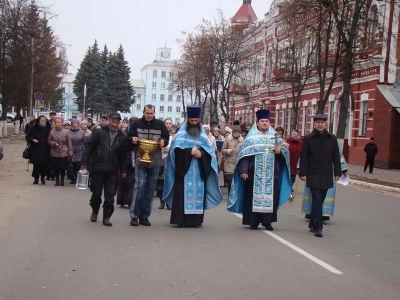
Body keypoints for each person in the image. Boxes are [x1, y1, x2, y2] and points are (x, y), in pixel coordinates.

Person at [227, 110, 291, 231]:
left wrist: (280, 152)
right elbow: (244, 156)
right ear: (257, 123)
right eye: (262, 121)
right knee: (252, 197)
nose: (265, 123)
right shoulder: (251, 138)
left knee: (271, 198)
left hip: (272, 174)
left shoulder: (275, 137)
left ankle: (267, 222)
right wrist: (243, 171)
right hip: (253, 173)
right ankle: (253, 221)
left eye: (267, 121)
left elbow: (285, 156)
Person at [163, 106, 223, 227]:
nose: (194, 123)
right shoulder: (180, 135)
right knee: (182, 194)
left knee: (198, 194)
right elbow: (175, 153)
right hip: (184, 170)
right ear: (188, 119)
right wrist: (188, 152)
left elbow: (210, 153)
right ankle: (180, 220)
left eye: (196, 121)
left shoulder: (203, 136)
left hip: (199, 170)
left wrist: (202, 154)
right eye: (192, 121)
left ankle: (195, 220)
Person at [81, 113, 127, 227]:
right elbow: (90, 147)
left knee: (110, 195)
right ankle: (95, 210)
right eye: (113, 121)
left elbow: (123, 155)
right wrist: (84, 163)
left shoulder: (122, 136)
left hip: (112, 169)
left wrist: (123, 170)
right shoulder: (100, 132)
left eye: (117, 122)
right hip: (98, 168)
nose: (115, 124)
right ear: (109, 121)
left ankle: (106, 217)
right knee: (96, 194)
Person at [299, 114, 341, 238]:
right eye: (317, 122)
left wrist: (337, 172)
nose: (320, 124)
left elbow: (336, 156)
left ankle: (312, 222)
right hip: (313, 173)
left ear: (326, 124)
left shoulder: (332, 138)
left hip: (327, 173)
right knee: (317, 199)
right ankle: (318, 227)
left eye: (322, 122)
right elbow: (304, 157)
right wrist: (302, 173)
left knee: (320, 200)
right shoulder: (308, 138)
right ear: (314, 124)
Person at [128, 104, 169, 227]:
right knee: (139, 187)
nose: (149, 115)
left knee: (150, 189)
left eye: (151, 113)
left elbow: (166, 137)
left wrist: (163, 141)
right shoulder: (137, 124)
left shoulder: (160, 124)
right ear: (143, 112)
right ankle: (134, 215)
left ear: (154, 113)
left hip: (155, 161)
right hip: (140, 160)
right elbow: (129, 136)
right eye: (147, 113)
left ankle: (145, 216)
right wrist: (133, 139)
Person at [301, 148, 348, 221]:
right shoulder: (311, 140)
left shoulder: (332, 141)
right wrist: (301, 170)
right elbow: (304, 155)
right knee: (313, 194)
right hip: (313, 171)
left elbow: (338, 156)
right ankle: (310, 213)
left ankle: (324, 214)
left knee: (326, 194)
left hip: (328, 172)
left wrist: (344, 170)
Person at [26, 116, 51, 184]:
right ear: (38, 121)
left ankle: (43, 177)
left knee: (45, 165)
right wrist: (32, 139)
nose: (43, 122)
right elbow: (28, 136)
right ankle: (36, 178)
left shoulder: (49, 128)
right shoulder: (34, 128)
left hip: (46, 149)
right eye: (41, 120)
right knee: (36, 165)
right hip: (36, 149)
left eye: (44, 120)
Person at [48, 117, 72, 186]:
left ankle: (62, 180)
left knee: (63, 167)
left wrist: (70, 152)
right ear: (55, 123)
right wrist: (53, 143)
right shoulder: (52, 131)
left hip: (64, 152)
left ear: (62, 123)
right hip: (55, 152)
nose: (58, 124)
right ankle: (57, 180)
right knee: (56, 167)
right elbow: (49, 140)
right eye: (57, 122)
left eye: (60, 122)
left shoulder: (66, 132)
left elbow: (69, 142)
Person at [221, 125, 243, 195]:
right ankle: (230, 193)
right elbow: (222, 149)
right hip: (228, 162)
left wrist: (240, 151)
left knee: (236, 180)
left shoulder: (243, 140)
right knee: (229, 180)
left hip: (238, 162)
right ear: (232, 133)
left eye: (238, 133)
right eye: (235, 133)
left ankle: (235, 194)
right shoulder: (228, 139)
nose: (236, 134)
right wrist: (228, 151)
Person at [158, 118, 174, 210]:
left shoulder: (174, 135)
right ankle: (162, 201)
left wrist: (170, 149)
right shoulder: (160, 134)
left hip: (169, 159)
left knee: (169, 182)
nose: (168, 125)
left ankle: (169, 202)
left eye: (169, 123)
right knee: (160, 182)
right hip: (160, 160)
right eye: (166, 123)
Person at [68, 119, 85, 184]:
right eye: (73, 123)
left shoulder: (81, 132)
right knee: (71, 165)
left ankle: (77, 178)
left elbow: (83, 141)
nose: (75, 124)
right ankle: (72, 178)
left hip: (79, 150)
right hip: (71, 149)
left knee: (78, 165)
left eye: (76, 123)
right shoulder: (68, 132)